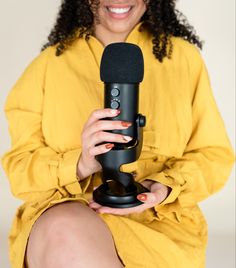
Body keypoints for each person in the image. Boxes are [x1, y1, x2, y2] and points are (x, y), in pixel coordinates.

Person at [2, 1, 234, 267]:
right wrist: (80, 165)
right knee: (64, 229)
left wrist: (165, 187)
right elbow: (19, 168)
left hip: (161, 227)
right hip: (66, 222)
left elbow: (213, 155)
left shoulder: (184, 59)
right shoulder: (46, 67)